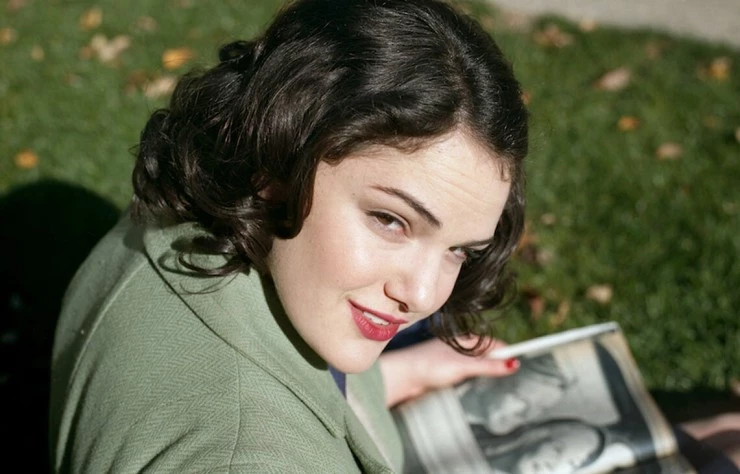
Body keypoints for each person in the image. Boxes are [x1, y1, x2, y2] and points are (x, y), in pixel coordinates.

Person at [48, 0, 529, 472]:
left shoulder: (191, 228)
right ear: (277, 157)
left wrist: (396, 377)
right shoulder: (245, 457)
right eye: (390, 220)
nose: (423, 295)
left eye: (459, 250)